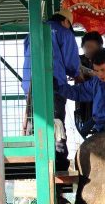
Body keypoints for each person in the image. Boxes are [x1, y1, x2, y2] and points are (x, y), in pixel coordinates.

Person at [22, 9, 80, 171]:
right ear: (65, 22)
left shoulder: (33, 31)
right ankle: (59, 162)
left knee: (37, 121)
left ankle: (34, 159)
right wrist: (77, 73)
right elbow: (71, 63)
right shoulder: (64, 32)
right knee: (56, 122)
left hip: (30, 85)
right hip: (52, 83)